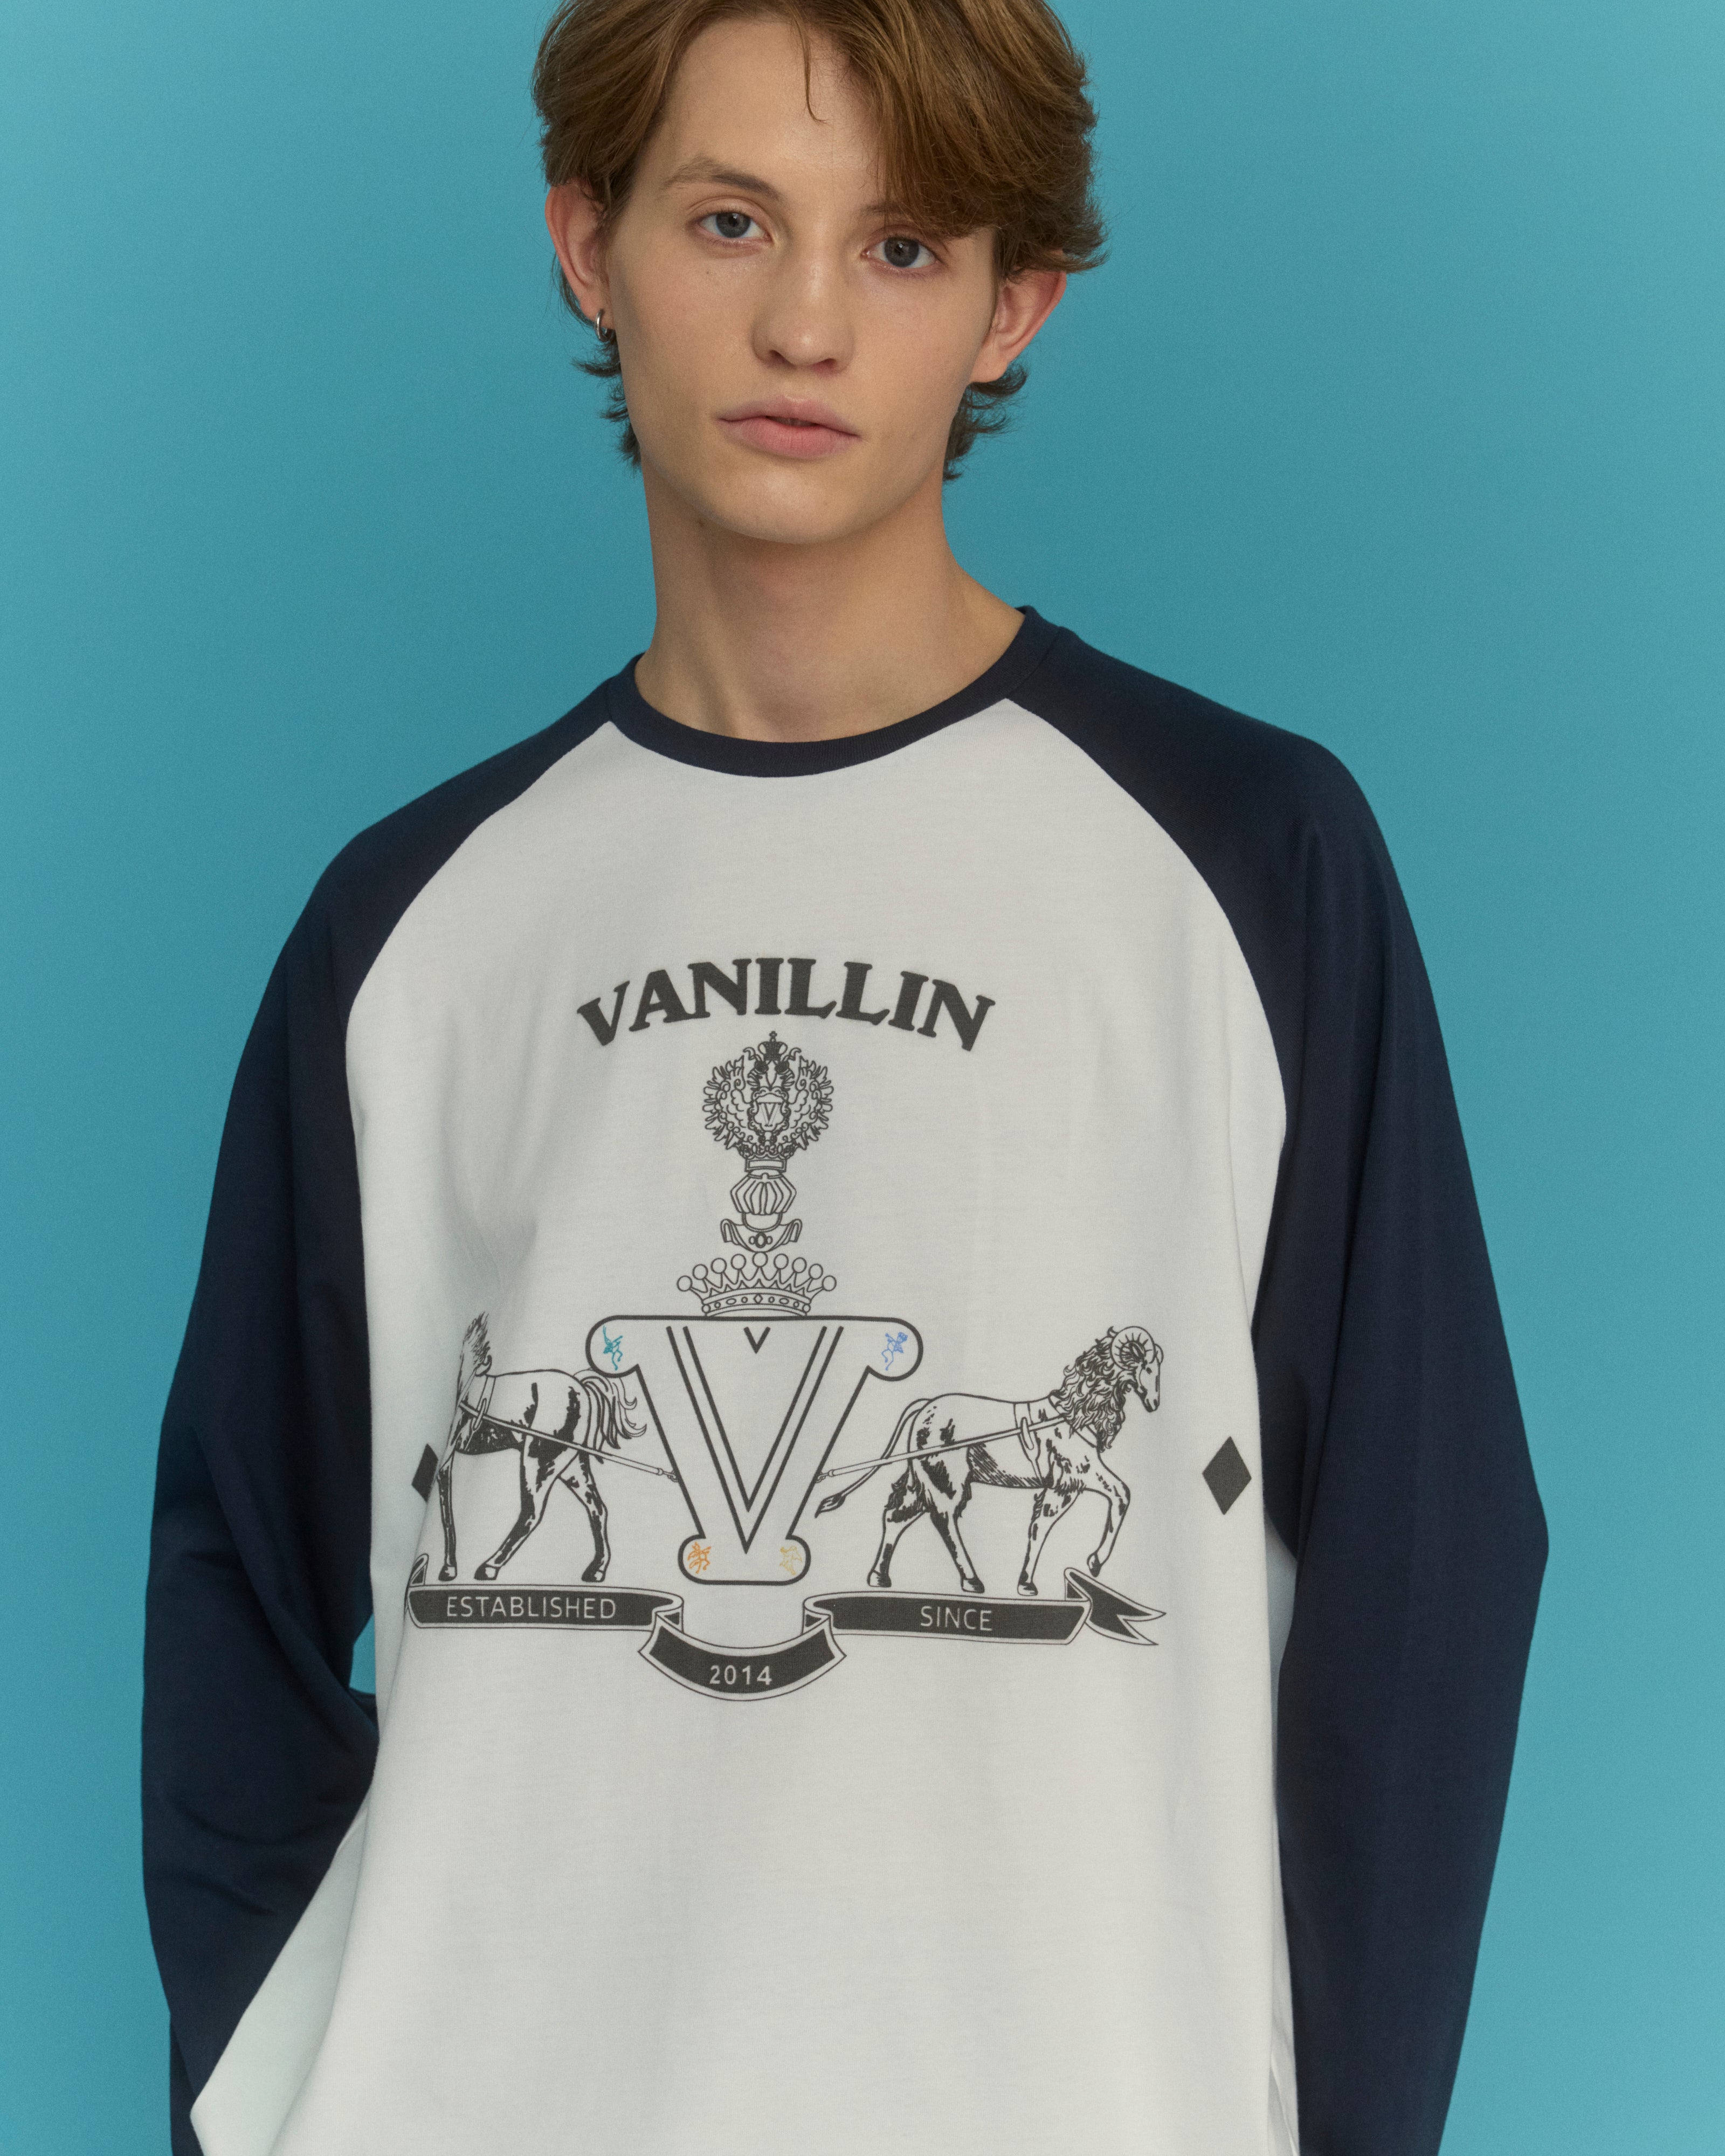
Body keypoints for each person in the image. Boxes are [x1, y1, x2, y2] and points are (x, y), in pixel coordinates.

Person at [142, 2, 1548, 2152]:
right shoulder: (412, 923)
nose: (805, 323)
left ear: (1013, 305)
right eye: (731, 220)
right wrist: (270, 2084)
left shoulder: (1248, 861)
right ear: (588, 246)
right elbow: (235, 1566)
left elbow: (1426, 1563)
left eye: (901, 247)